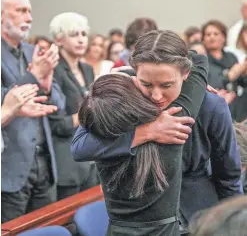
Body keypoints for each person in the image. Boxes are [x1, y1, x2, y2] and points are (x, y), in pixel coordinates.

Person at [72, 30, 208, 236]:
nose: (156, 96)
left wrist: (122, 74)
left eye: (166, 85)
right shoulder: (177, 117)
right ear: (136, 75)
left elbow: (80, 148)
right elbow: (199, 59)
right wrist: (146, 132)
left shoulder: (174, 117)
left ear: (185, 74)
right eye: (146, 83)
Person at [1, 0, 65, 222]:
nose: (28, 18)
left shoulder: (33, 52)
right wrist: (34, 76)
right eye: (21, 11)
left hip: (44, 163)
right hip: (9, 164)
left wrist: (46, 86)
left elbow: (59, 104)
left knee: (44, 228)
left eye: (29, 11)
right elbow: (4, 101)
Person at [48, 12, 99, 200]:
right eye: (74, 34)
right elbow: (57, 124)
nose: (81, 40)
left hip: (90, 155)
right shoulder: (53, 71)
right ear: (59, 39)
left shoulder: (87, 69)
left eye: (83, 34)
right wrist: (86, 114)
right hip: (66, 160)